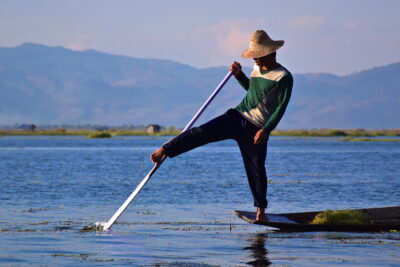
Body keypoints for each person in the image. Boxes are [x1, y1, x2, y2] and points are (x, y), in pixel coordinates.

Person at [150, 30, 293, 221]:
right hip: (236, 116)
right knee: (201, 132)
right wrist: (239, 74)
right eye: (254, 57)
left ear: (270, 53)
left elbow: (280, 108)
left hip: (256, 128)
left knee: (256, 167)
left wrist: (266, 130)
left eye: (258, 56)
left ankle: (261, 211)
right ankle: (165, 149)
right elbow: (252, 91)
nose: (255, 60)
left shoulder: (283, 76)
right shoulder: (257, 69)